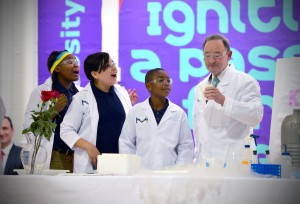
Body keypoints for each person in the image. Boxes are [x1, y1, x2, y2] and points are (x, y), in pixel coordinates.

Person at [192, 34, 263, 163]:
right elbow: (198, 128)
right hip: (206, 163)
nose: (212, 60)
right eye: (207, 55)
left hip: (235, 162)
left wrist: (224, 101)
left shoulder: (246, 82)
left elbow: (255, 116)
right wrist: (196, 160)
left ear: (229, 55)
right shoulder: (200, 87)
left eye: (217, 55)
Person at [60, 52, 133, 173]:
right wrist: (88, 147)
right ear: (95, 74)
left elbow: (130, 127)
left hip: (121, 163)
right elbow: (66, 130)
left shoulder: (122, 93)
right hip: (93, 164)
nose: (114, 68)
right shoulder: (81, 98)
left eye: (113, 63)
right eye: (107, 65)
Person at [119, 68, 194, 170]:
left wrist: (178, 170)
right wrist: (132, 169)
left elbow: (186, 146)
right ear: (148, 86)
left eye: (168, 80)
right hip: (141, 175)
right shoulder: (136, 111)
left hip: (171, 176)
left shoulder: (178, 113)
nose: (166, 83)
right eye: (160, 80)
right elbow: (126, 143)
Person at [23, 50, 81, 173]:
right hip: (56, 155)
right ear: (58, 68)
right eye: (70, 62)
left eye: (76, 61)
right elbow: (29, 127)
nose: (76, 64)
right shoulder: (40, 92)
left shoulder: (80, 94)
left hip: (78, 156)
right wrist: (53, 110)